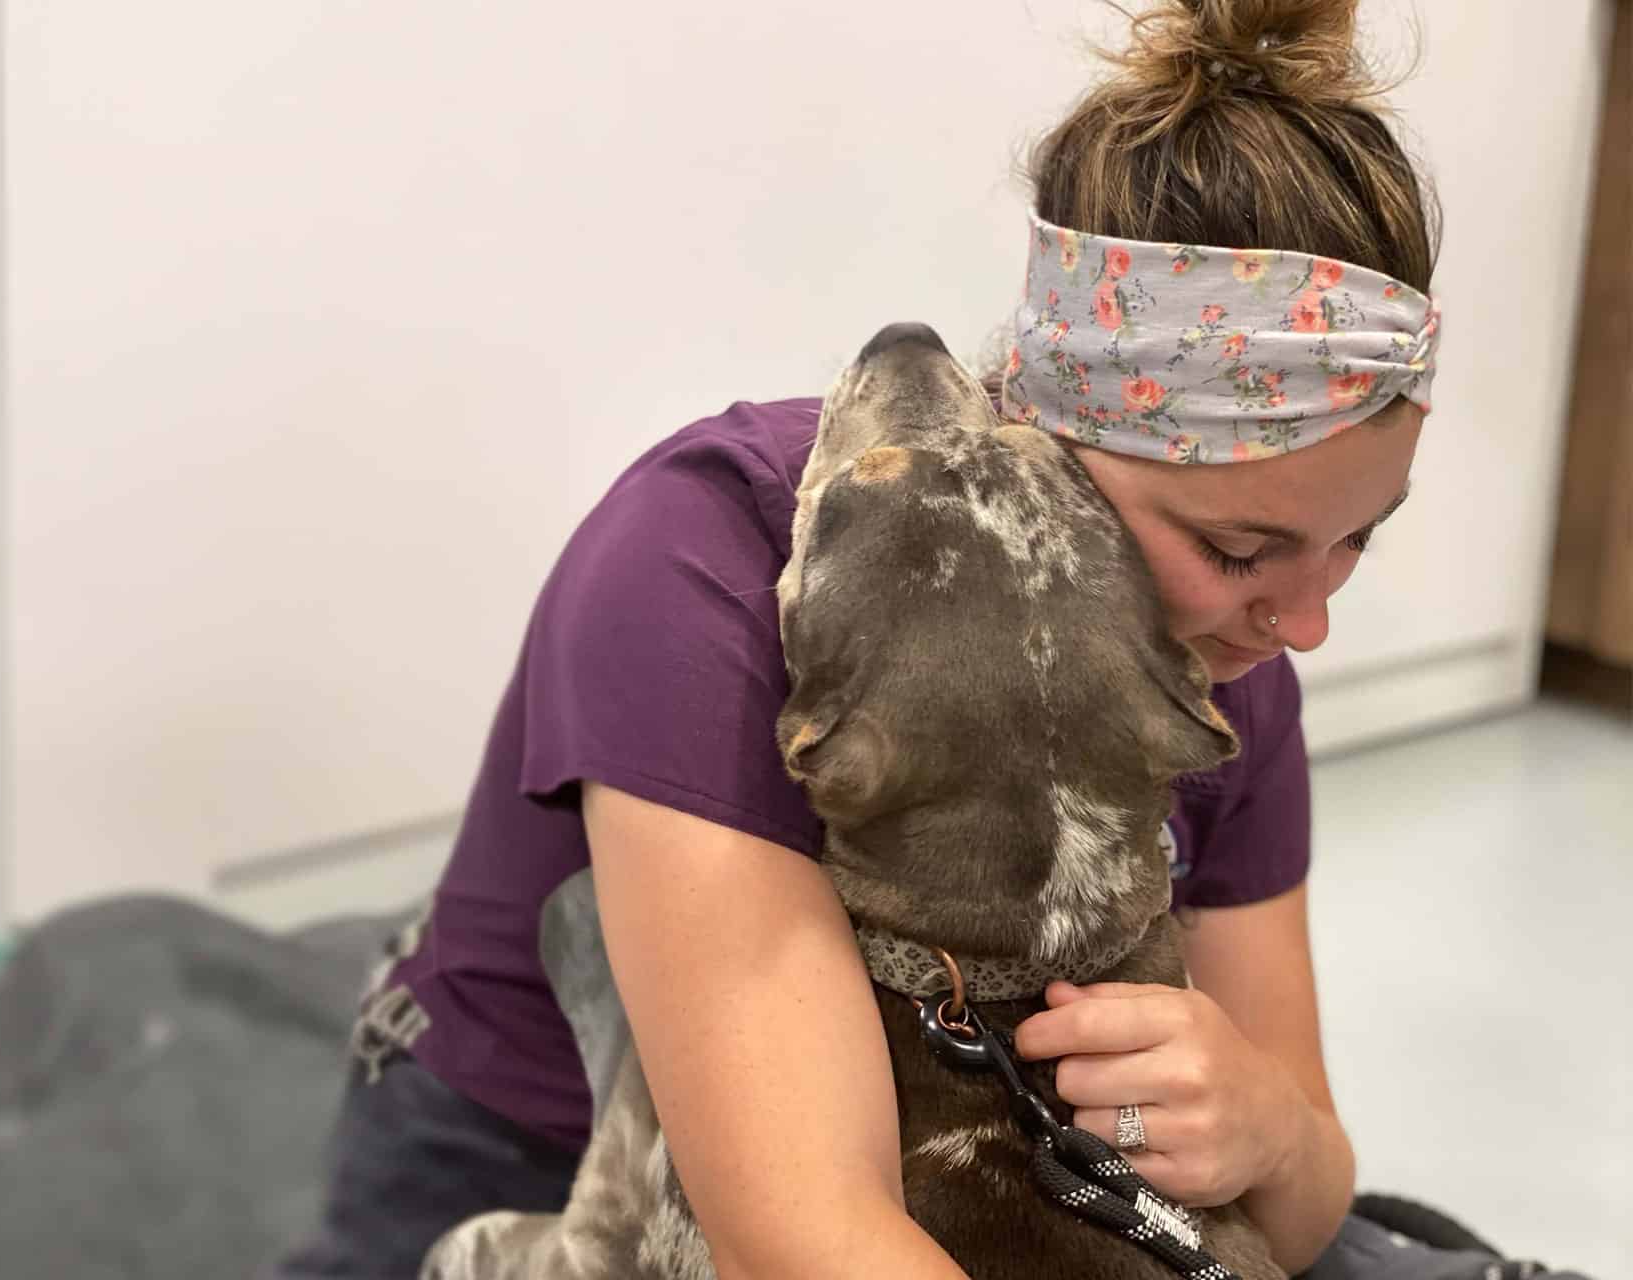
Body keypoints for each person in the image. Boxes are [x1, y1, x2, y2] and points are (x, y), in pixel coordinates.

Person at [269, 3, 1587, 1278]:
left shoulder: (1226, 659)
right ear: (1052, 434)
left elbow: (1292, 1204)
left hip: (985, 1164)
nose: (1304, 624)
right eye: (1238, 551)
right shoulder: (709, 571)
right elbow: (796, 1238)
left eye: (1357, 540)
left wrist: (1277, 1136)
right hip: (550, 1168)